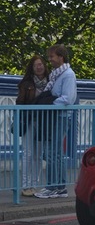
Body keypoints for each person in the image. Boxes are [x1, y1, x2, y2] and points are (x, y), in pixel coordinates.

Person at [35, 44, 77, 199]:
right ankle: (59, 187)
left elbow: (69, 98)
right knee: (55, 153)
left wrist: (49, 104)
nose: (50, 59)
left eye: (52, 56)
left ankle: (54, 187)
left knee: (53, 153)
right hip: (54, 117)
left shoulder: (68, 75)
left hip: (60, 117)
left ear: (61, 57)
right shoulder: (56, 74)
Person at [16, 55, 50, 196]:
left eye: (41, 64)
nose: (39, 67)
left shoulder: (50, 82)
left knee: (37, 155)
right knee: (27, 153)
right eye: (36, 64)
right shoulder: (26, 83)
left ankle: (34, 185)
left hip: (42, 122)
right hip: (29, 121)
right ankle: (25, 186)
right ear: (32, 67)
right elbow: (20, 102)